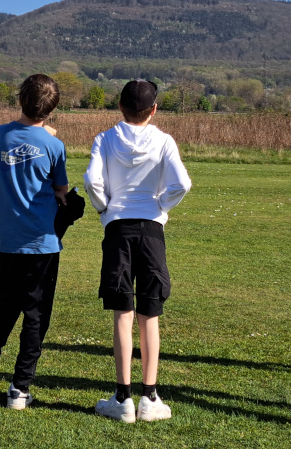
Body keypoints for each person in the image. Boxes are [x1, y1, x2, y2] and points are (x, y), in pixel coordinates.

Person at [84, 79, 192, 423]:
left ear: (119, 107)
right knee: (150, 311)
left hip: (117, 228)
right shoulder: (164, 140)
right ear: (154, 108)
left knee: (122, 311)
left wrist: (105, 210)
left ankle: (122, 398)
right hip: (151, 231)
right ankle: (150, 396)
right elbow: (182, 183)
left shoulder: (104, 138)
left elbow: (92, 182)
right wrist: (160, 206)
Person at [0, 74, 69, 409]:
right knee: (36, 314)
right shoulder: (55, 146)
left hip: (8, 239)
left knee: (5, 307)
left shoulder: (0, 135)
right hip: (42, 242)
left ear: (20, 99)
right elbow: (61, 191)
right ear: (51, 109)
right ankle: (20, 387)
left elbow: (2, 160)